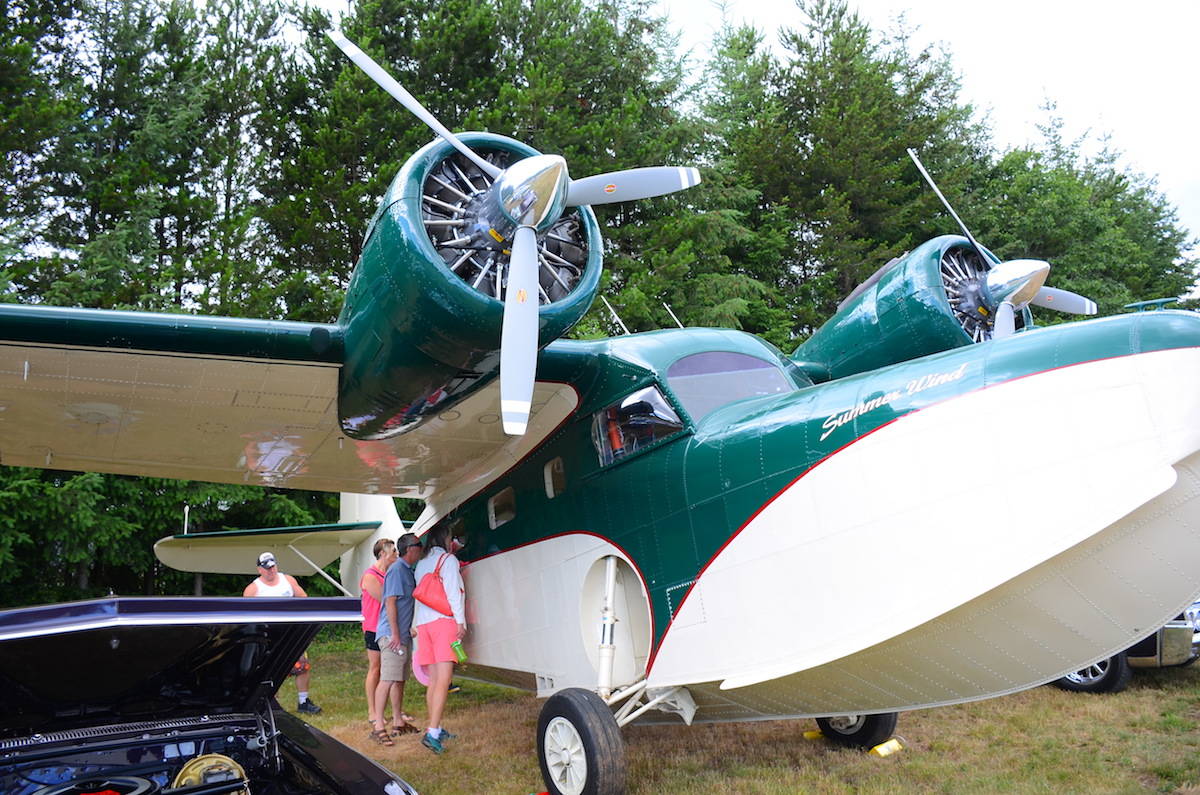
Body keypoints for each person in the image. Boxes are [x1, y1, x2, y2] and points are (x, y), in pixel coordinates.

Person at [243, 551, 321, 715]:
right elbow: (246, 616)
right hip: (268, 636)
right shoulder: (253, 590)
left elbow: (304, 599)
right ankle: (271, 704)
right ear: (259, 570)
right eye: (267, 568)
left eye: (273, 566)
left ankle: (303, 701)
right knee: (270, 671)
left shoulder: (288, 580)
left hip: (291, 632)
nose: (271, 570)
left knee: (302, 666)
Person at [412, 524, 466, 754]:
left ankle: (436, 726)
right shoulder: (448, 560)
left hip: (424, 625)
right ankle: (432, 733)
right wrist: (460, 621)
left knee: (434, 681)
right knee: (444, 680)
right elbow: (454, 593)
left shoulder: (421, 564)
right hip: (443, 622)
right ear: (446, 539)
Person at [371, 533, 424, 747]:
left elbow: (404, 604)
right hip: (391, 635)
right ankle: (378, 727)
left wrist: (405, 629)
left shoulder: (406, 570)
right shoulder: (396, 570)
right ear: (411, 548)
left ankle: (398, 722)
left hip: (401, 634)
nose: (422, 548)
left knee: (399, 679)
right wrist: (394, 633)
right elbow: (390, 602)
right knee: (388, 679)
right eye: (419, 545)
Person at [361, 538, 397, 728]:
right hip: (374, 628)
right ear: (382, 553)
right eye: (393, 553)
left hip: (388, 628)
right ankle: (373, 711)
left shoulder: (389, 574)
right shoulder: (370, 576)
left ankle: (390, 710)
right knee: (376, 668)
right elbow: (385, 600)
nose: (396, 556)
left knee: (389, 669)